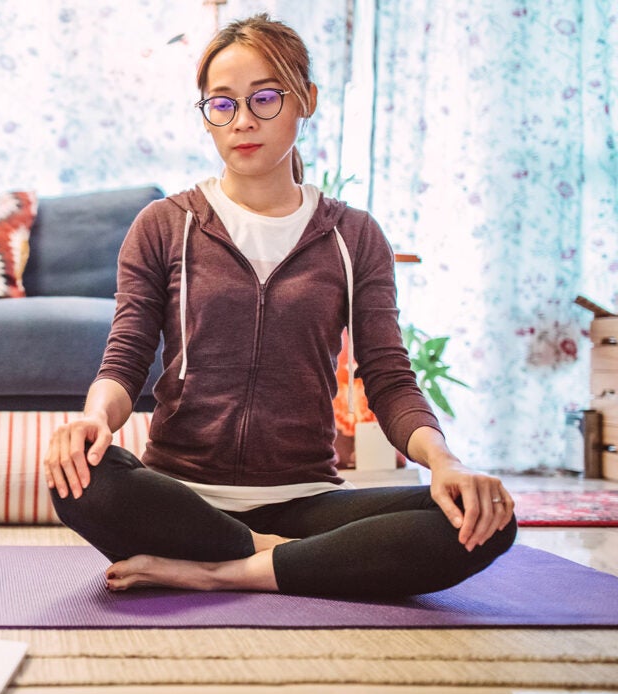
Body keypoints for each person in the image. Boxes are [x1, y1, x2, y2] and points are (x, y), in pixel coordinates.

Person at [43, 13, 515, 598]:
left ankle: (221, 570)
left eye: (265, 98)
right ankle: (302, 564)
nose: (243, 121)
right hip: (178, 495)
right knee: (82, 482)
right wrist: (94, 419)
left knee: (485, 515)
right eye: (222, 104)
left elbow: (389, 379)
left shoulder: (355, 236)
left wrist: (445, 462)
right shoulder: (165, 225)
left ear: (306, 100)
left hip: (304, 500)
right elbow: (126, 358)